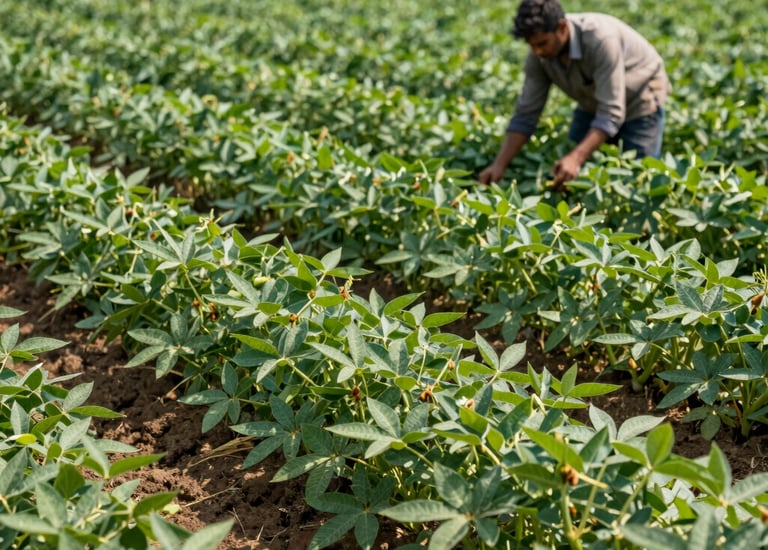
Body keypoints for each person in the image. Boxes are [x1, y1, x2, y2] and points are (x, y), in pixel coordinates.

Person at [478, 0, 670, 190]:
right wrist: (499, 165)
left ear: (562, 28)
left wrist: (576, 158)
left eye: (542, 43)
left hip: (641, 99)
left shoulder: (600, 40)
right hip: (594, 103)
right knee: (567, 173)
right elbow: (526, 114)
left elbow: (611, 112)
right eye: (532, 46)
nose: (538, 51)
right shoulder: (540, 56)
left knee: (637, 182)